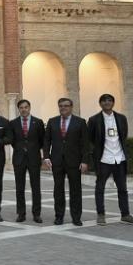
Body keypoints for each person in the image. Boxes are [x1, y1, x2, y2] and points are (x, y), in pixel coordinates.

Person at [88, 93, 133, 226]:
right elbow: (90, 140)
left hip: (119, 159)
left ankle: (125, 214)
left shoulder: (121, 118)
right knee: (100, 188)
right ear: (100, 104)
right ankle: (101, 214)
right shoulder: (94, 119)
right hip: (104, 159)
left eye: (110, 100)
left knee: (122, 188)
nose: (107, 103)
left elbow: (123, 136)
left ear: (113, 103)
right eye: (104, 101)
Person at [43, 97, 90, 226]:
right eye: (61, 106)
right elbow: (46, 141)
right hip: (57, 161)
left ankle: (76, 217)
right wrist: (46, 157)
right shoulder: (52, 122)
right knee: (58, 190)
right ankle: (59, 216)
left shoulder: (80, 122)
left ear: (71, 107)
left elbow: (85, 144)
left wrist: (84, 161)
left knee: (75, 190)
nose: (63, 108)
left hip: (74, 161)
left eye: (66, 105)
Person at [10, 99, 44, 223]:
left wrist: (31, 149)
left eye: (26, 107)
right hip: (19, 159)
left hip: (34, 158)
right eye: (21, 107)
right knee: (20, 188)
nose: (24, 109)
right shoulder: (13, 123)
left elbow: (42, 140)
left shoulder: (38, 122)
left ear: (29, 108)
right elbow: (12, 140)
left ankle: (36, 214)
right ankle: (21, 214)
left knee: (36, 187)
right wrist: (21, 149)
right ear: (18, 109)